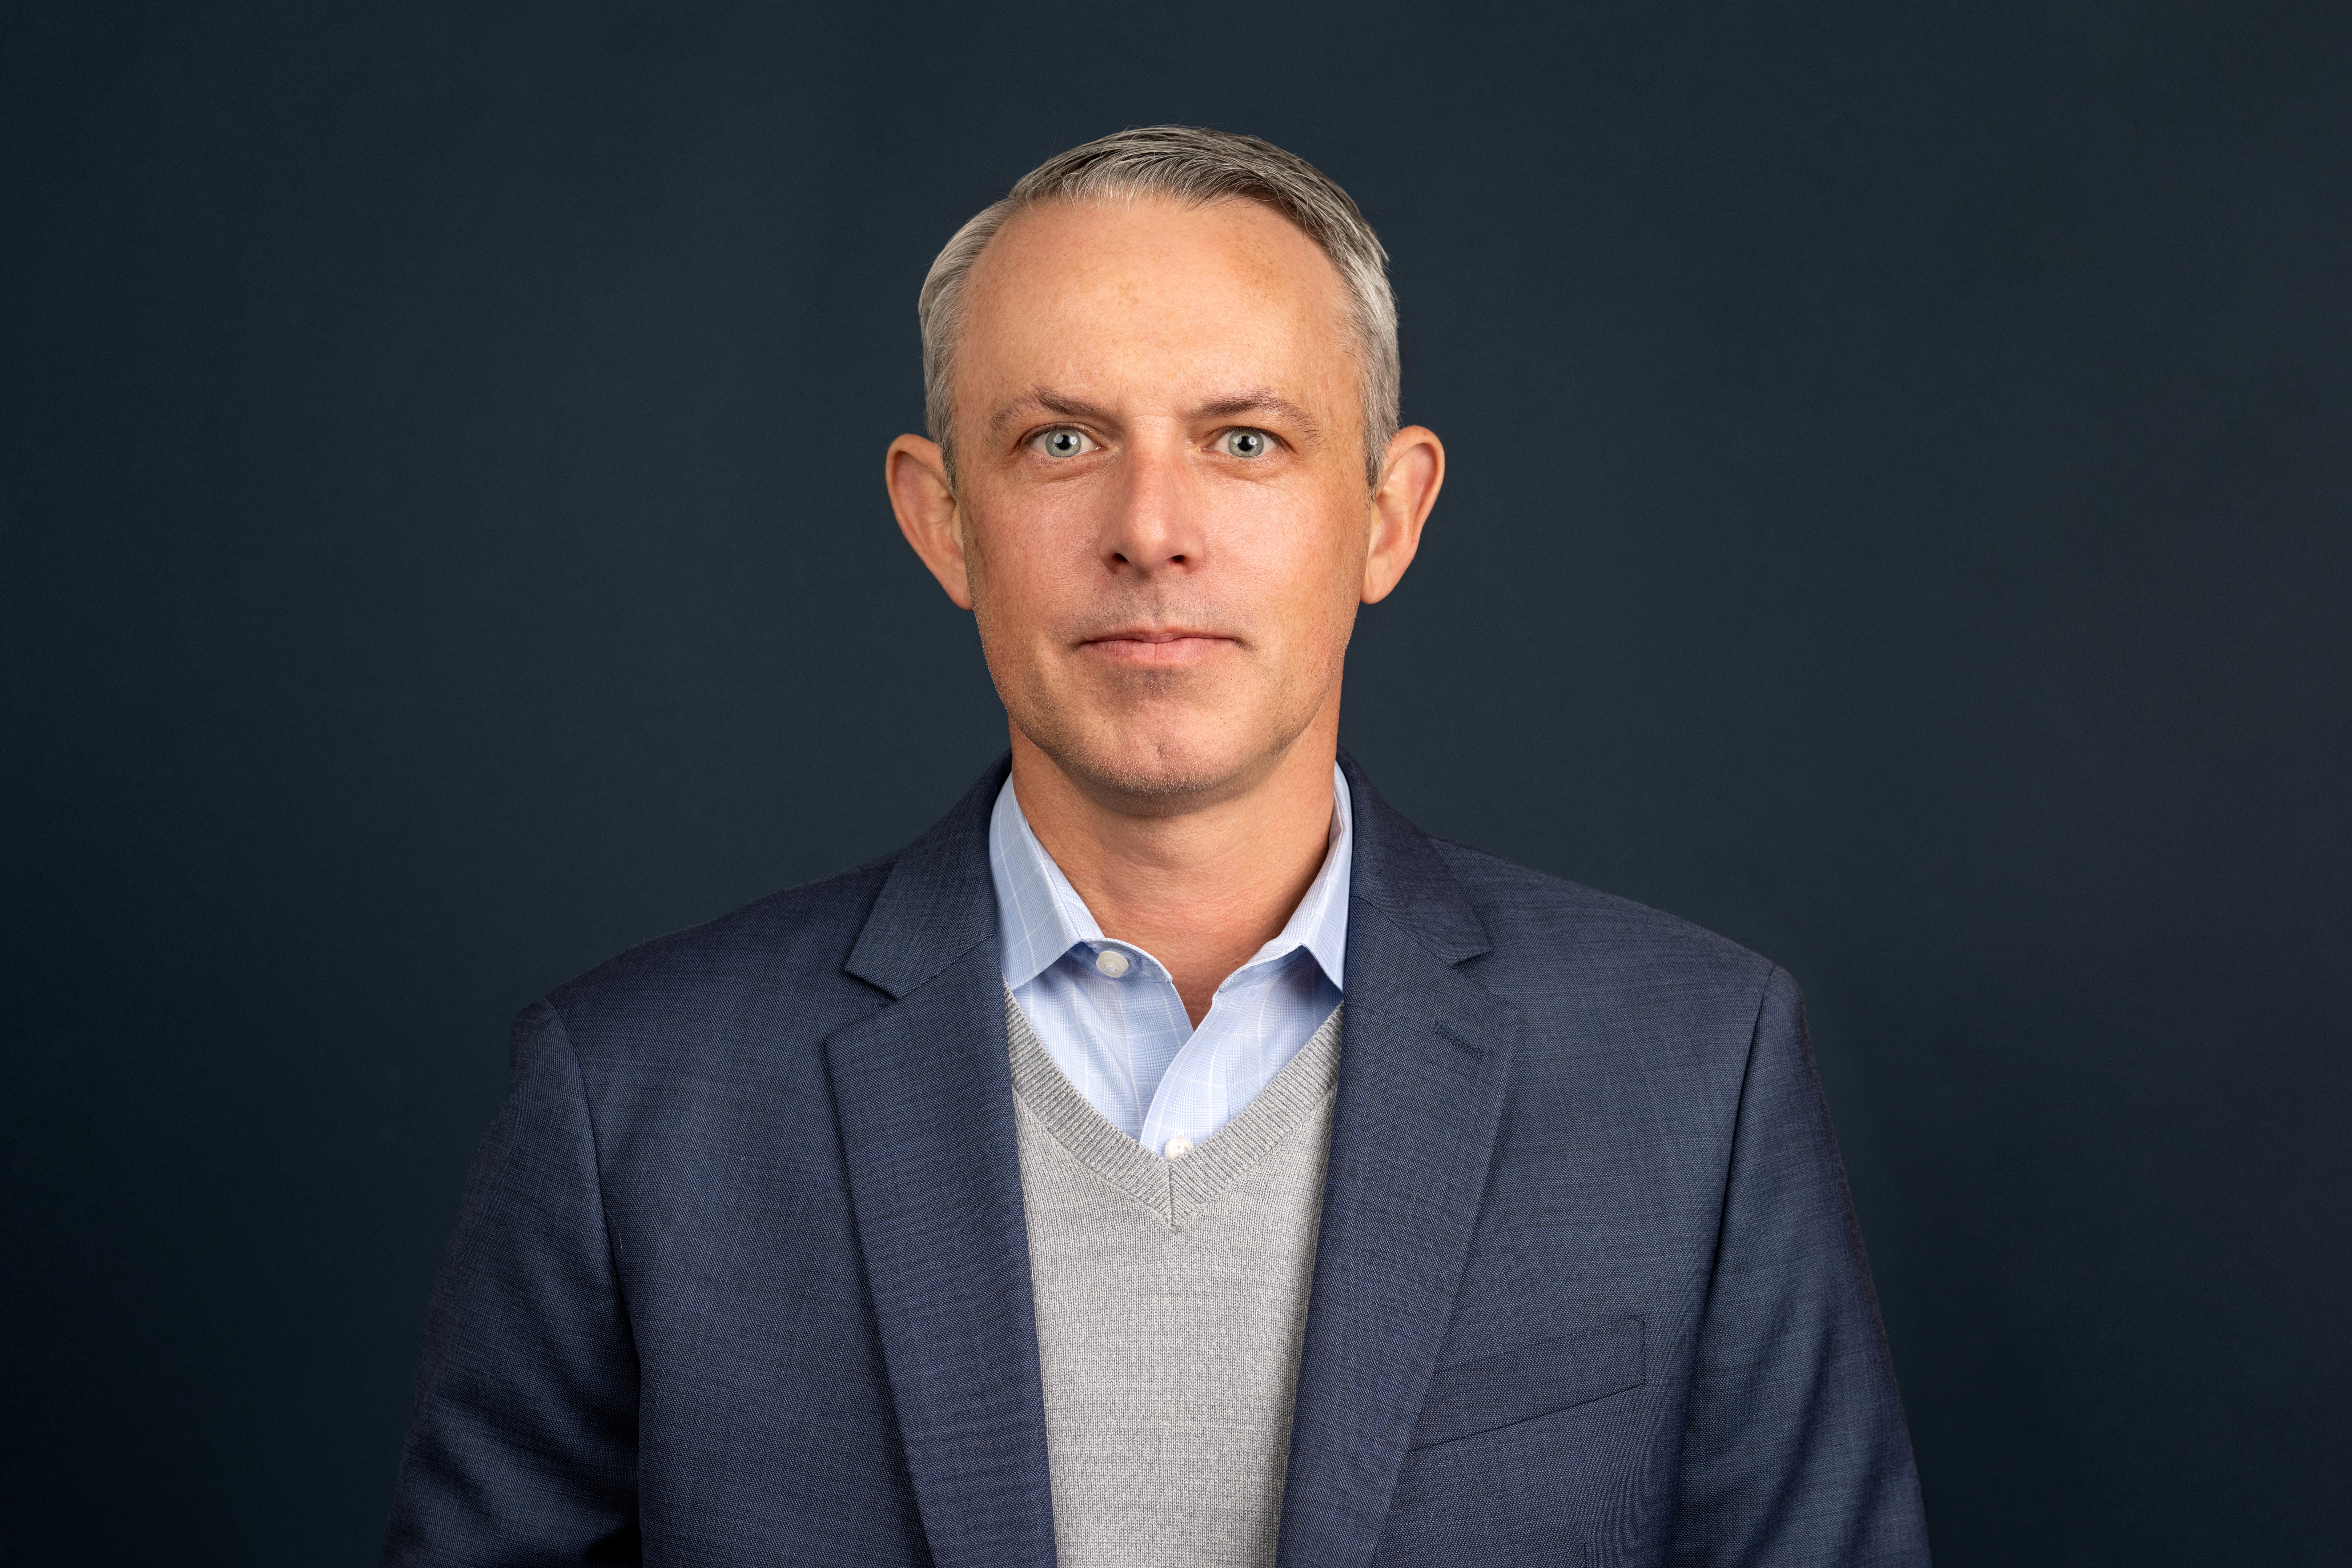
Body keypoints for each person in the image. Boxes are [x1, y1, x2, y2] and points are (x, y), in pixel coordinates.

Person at [383, 126, 1930, 1567]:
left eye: (1246, 440)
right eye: (1062, 441)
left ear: (1387, 515)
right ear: (944, 522)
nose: (1151, 527)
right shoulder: (637, 1100)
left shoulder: (1693, 1073)